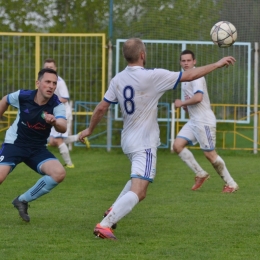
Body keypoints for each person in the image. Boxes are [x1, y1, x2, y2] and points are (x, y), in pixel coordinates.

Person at [79, 38, 236, 240]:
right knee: (141, 190)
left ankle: (113, 210)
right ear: (142, 55)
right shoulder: (153, 76)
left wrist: (89, 130)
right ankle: (104, 225)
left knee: (136, 180)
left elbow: (102, 107)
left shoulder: (117, 79)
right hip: (144, 143)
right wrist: (217, 63)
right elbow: (188, 75)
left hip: (127, 141)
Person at [0, 68, 67, 222]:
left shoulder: (56, 105)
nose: (51, 86)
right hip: (15, 144)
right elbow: (5, 99)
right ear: (38, 83)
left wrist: (55, 122)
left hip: (37, 149)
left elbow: (63, 126)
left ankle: (22, 200)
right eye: (47, 82)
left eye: (54, 83)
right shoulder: (23, 96)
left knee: (59, 173)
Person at [173, 50, 239, 193]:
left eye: (188, 60)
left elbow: (198, 98)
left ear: (194, 61)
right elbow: (193, 101)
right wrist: (186, 106)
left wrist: (181, 102)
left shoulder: (196, 77)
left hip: (204, 121)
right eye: (183, 61)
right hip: (194, 120)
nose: (186, 63)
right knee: (177, 145)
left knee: (210, 154)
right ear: (180, 62)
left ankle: (231, 184)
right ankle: (200, 173)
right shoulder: (185, 77)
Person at [43, 59, 89, 169]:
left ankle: (69, 164)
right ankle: (79, 137)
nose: (49, 69)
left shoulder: (59, 82)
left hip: (63, 113)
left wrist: (51, 100)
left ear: (55, 69)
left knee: (57, 140)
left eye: (51, 67)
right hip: (53, 113)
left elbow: (65, 98)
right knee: (54, 140)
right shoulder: (43, 81)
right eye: (47, 67)